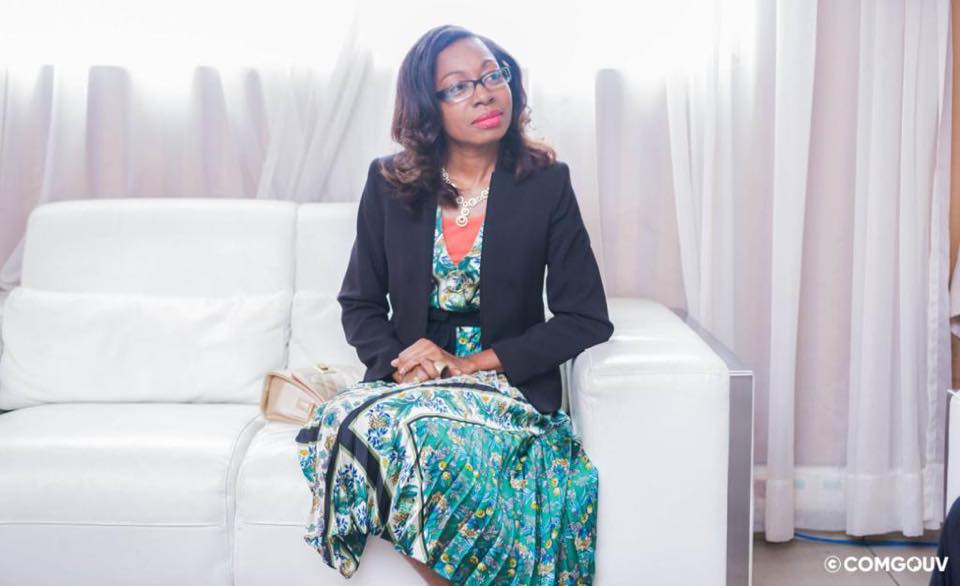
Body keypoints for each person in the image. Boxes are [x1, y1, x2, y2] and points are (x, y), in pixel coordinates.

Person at [295, 24, 613, 585]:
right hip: (412, 384)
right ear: (427, 106)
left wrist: (468, 363)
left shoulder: (546, 184)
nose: (485, 94)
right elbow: (359, 302)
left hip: (506, 386)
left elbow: (585, 318)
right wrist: (404, 364)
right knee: (343, 420)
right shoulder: (389, 182)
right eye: (459, 86)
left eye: (493, 76)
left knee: (410, 432)